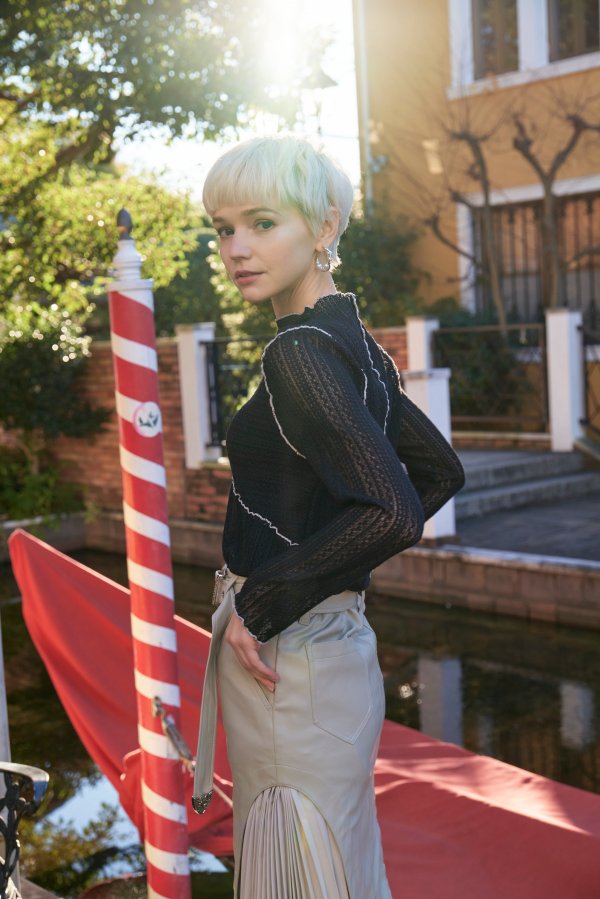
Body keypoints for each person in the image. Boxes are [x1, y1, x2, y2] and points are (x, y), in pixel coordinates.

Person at [193, 135, 465, 899]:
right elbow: (439, 475)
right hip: (334, 648)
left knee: (296, 867)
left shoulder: (299, 355)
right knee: (335, 862)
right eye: (223, 228)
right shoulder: (358, 349)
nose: (236, 248)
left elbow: (394, 509)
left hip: (287, 659)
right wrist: (325, 580)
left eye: (262, 222)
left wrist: (262, 602)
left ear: (324, 226)